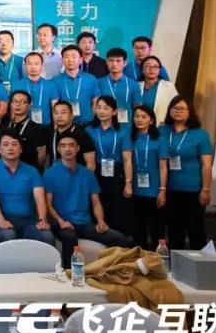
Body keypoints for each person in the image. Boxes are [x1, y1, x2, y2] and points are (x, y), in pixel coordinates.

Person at [44, 132, 131, 268]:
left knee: (119, 238)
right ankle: (69, 273)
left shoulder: (87, 173)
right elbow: (48, 204)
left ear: (77, 148)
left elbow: (96, 203)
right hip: (62, 224)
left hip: (85, 224)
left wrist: (101, 221)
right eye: (63, 146)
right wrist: (61, 221)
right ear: (58, 149)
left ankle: (113, 272)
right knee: (69, 237)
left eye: (71, 145)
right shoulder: (50, 173)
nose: (67, 149)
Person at [0, 132, 55, 245]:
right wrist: (1, 221)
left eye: (14, 144)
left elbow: (40, 198)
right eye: (6, 144)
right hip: (3, 219)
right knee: (8, 235)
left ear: (21, 149)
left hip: (29, 221)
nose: (10, 148)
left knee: (47, 236)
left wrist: (42, 220)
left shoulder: (32, 171)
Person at [161, 96, 213, 250]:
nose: (178, 111)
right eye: (175, 108)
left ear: (190, 112)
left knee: (195, 230)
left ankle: (199, 263)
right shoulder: (162, 131)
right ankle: (175, 263)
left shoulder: (200, 134)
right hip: (169, 189)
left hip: (193, 190)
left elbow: (206, 164)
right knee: (174, 230)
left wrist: (206, 189)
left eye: (182, 108)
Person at [84, 96, 134, 236]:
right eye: (98, 107)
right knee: (97, 204)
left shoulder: (123, 130)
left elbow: (127, 159)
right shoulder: (89, 130)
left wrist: (128, 183)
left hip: (116, 171)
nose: (101, 111)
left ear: (114, 111)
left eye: (106, 108)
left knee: (117, 208)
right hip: (95, 171)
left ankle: (118, 240)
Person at [131, 105, 168, 251]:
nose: (139, 119)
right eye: (136, 116)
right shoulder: (131, 138)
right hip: (135, 189)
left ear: (151, 120)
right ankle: (140, 258)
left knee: (156, 229)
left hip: (154, 190)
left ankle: (157, 259)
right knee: (138, 229)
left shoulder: (160, 139)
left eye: (143, 117)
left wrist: (162, 189)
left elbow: (163, 166)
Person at [2, 91, 51, 170]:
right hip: (6, 170)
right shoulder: (4, 126)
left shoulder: (37, 128)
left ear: (29, 106)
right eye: (15, 101)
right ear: (11, 104)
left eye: (22, 102)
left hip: (28, 170)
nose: (18, 104)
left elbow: (41, 155)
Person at [12, 52, 63, 126]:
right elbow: (13, 109)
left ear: (42, 66)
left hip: (45, 126)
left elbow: (55, 109)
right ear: (25, 66)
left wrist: (55, 128)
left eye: (36, 64)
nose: (33, 67)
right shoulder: (16, 85)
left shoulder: (51, 85)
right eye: (29, 64)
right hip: (23, 126)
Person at [54, 46, 101, 124]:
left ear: (80, 60)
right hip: (65, 124)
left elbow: (96, 100)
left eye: (74, 56)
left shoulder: (90, 79)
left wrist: (92, 118)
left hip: (87, 124)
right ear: (62, 60)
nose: (70, 60)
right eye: (66, 57)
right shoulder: (55, 81)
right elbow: (54, 104)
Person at [47, 100, 97, 171]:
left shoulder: (82, 134)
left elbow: (91, 163)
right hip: (56, 174)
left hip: (77, 175)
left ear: (72, 115)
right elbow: (48, 159)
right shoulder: (51, 134)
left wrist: (85, 177)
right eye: (56, 113)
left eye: (63, 112)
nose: (59, 116)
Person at [100, 48, 143, 121]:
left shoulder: (134, 84)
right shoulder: (99, 83)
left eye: (118, 61)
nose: (114, 64)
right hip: (105, 123)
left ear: (125, 63)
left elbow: (137, 107)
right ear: (107, 62)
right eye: (111, 60)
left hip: (127, 124)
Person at [140, 56, 178, 125]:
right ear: (142, 69)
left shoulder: (169, 86)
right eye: (148, 66)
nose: (151, 69)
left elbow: (176, 107)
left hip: (162, 125)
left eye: (155, 66)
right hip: (139, 125)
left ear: (159, 70)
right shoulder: (136, 86)